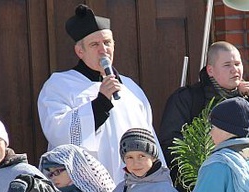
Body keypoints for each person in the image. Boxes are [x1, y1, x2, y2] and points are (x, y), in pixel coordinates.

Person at [38, 4, 163, 182]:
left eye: (107, 43)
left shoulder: (130, 88)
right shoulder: (59, 85)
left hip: (133, 186)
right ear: (80, 51)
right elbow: (58, 133)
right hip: (87, 190)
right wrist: (101, 102)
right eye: (95, 44)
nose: (103, 50)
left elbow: (149, 138)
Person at [159, 41, 249, 177]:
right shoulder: (187, 98)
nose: (235, 70)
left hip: (248, 179)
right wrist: (195, 174)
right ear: (210, 70)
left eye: (237, 64)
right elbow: (171, 143)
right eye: (227, 65)